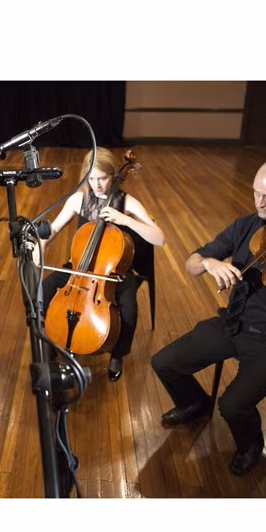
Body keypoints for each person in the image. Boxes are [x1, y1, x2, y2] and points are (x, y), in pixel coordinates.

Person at [150, 156, 266, 476]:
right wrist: (209, 263)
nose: (259, 202)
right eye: (256, 192)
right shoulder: (245, 225)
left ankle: (250, 443)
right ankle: (195, 403)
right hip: (233, 323)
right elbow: (191, 263)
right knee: (163, 362)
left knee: (232, 405)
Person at [37, 147, 165, 380]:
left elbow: (160, 238)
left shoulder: (126, 202)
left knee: (129, 308)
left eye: (103, 178)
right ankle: (50, 344)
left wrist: (126, 220)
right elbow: (53, 229)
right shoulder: (79, 199)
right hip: (79, 267)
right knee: (43, 292)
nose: (96, 185)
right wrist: (41, 245)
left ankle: (117, 355)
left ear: (114, 175)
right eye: (91, 178)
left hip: (114, 273)